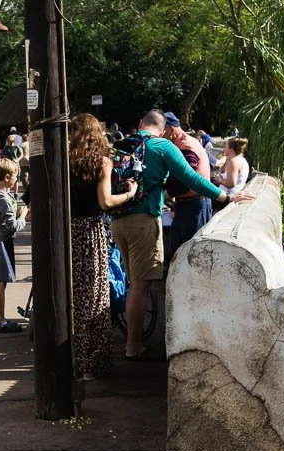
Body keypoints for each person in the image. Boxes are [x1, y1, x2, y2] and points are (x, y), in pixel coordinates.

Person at [111, 110, 253, 359]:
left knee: (133, 281)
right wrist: (226, 197)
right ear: (163, 128)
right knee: (140, 287)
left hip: (118, 220)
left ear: (139, 124)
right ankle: (133, 346)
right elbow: (191, 178)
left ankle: (131, 339)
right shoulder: (162, 146)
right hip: (143, 222)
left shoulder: (121, 146)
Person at [68, 113, 138, 376]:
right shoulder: (102, 162)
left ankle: (72, 357)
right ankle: (92, 361)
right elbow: (105, 202)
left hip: (69, 231)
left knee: (72, 296)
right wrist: (129, 194)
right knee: (95, 295)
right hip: (90, 230)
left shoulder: (64, 161)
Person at [161, 112, 215, 254]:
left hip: (193, 206)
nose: (160, 135)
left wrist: (166, 194)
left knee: (191, 253)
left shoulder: (185, 146)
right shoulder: (183, 143)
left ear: (171, 129)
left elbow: (185, 181)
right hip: (188, 204)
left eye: (162, 131)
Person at [0, 159, 26, 333]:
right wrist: (23, 216)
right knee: (1, 283)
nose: (17, 178)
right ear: (7, 177)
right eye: (16, 175)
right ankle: (1, 321)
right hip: (3, 244)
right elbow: (12, 226)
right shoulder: (3, 198)